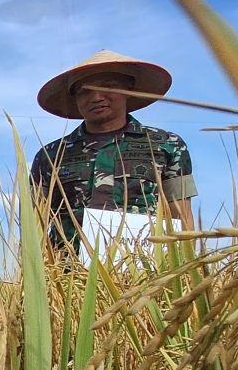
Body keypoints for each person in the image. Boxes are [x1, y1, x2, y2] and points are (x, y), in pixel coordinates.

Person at [31, 50, 197, 251]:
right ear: (75, 98)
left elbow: (181, 216)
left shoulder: (167, 145)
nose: (96, 97)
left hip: (144, 267)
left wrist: (187, 271)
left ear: (129, 89)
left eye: (108, 87)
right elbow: (34, 224)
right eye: (85, 91)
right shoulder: (50, 155)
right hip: (67, 272)